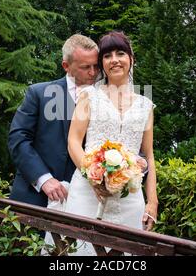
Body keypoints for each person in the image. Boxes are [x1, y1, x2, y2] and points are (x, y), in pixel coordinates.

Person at [64, 31, 158, 255]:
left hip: (130, 196)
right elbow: (73, 141)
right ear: (102, 64)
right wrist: (92, 176)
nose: (114, 59)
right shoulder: (89, 96)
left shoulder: (146, 105)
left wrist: (152, 201)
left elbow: (149, 155)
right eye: (107, 56)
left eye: (120, 53)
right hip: (89, 192)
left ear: (131, 59)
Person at [8, 34, 99, 207]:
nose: (93, 72)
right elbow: (18, 139)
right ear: (66, 66)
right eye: (85, 67)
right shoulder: (39, 93)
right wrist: (43, 179)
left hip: (87, 202)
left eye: (96, 66)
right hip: (35, 199)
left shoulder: (107, 100)